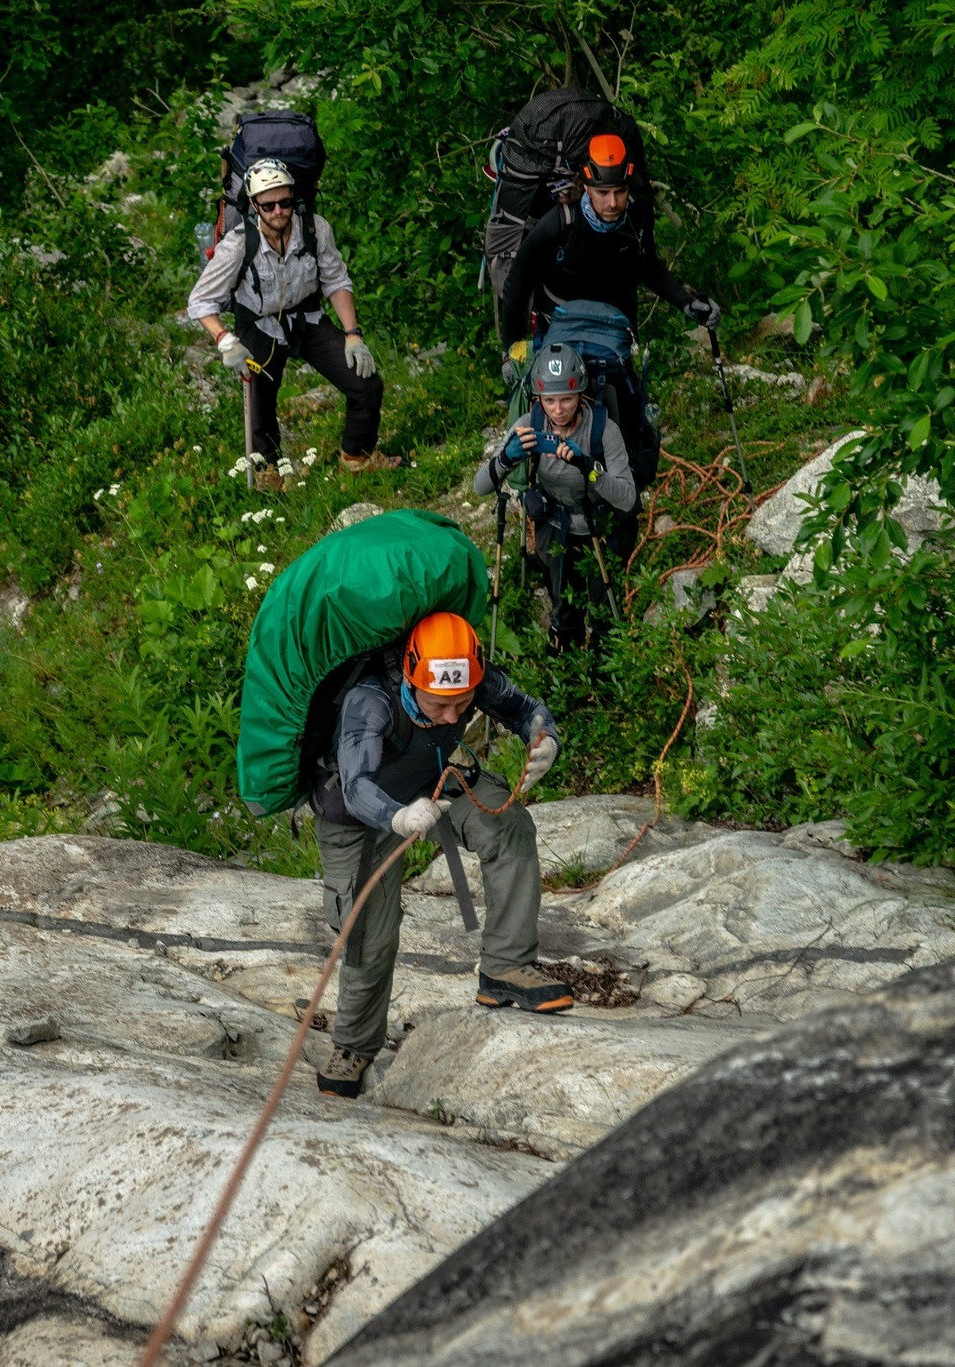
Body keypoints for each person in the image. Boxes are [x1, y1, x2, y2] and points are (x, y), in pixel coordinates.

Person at [309, 611, 568, 1099]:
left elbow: (524, 708)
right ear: (411, 677)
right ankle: (354, 1046)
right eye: (440, 705)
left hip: (436, 783)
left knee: (508, 825)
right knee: (370, 934)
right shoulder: (369, 703)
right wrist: (399, 818)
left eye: (463, 704)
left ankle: (505, 968)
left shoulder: (470, 677)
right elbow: (357, 784)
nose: (453, 717)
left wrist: (546, 737)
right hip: (361, 817)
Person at [497, 133, 719, 481]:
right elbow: (517, 285)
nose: (613, 202)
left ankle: (623, 486)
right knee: (551, 407)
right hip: (559, 325)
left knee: (624, 411)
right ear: (586, 186)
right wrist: (509, 350)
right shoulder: (558, 223)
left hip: (615, 331)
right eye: (603, 193)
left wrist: (686, 303)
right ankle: (539, 488)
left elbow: (649, 266)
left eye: (620, 191)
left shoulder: (638, 215)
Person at [187, 158, 391, 474]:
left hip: (307, 318)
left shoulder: (315, 229)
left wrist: (353, 334)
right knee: (260, 407)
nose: (279, 211)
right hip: (258, 323)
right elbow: (200, 301)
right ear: (254, 204)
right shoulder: (238, 245)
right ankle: (270, 473)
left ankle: (357, 457)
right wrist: (225, 339)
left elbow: (336, 280)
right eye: (268, 206)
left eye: (285, 202)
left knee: (365, 384)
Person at [476, 343, 635, 653]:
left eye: (567, 399)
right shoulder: (528, 425)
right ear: (538, 398)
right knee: (562, 601)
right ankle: (566, 653)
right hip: (556, 525)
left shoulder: (603, 430)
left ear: (581, 395)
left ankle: (607, 663)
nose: (558, 409)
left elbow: (628, 499)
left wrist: (589, 468)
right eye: (549, 400)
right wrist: (506, 459)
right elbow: (481, 485)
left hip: (599, 526)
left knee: (603, 603)